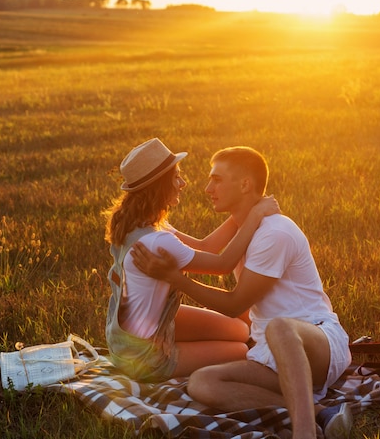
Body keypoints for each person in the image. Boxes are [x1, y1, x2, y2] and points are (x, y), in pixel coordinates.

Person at [131, 146, 353, 439]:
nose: (208, 188)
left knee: (279, 327)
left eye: (217, 179)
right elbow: (205, 248)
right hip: (270, 354)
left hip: (317, 341)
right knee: (202, 383)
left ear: (245, 184)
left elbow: (235, 304)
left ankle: (304, 435)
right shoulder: (244, 225)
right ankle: (318, 414)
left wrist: (175, 278)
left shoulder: (275, 233)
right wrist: (147, 226)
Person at [103, 138, 279, 382]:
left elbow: (206, 246)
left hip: (127, 340)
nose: (183, 183)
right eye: (176, 178)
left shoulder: (139, 224)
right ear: (159, 186)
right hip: (146, 358)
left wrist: (244, 206)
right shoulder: (158, 241)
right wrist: (256, 214)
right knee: (240, 349)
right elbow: (222, 265)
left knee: (240, 329)